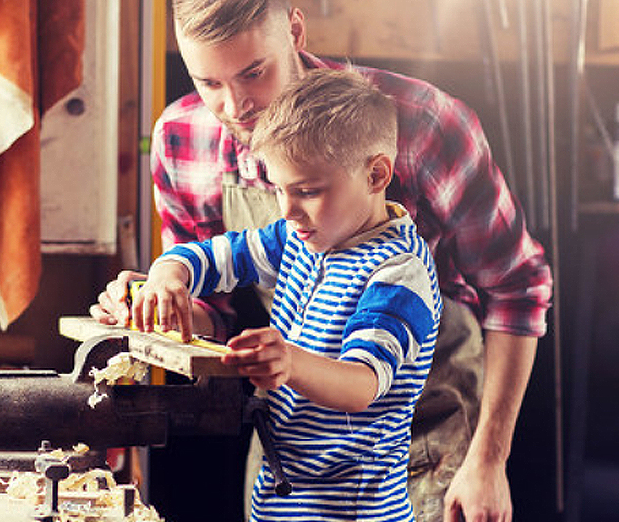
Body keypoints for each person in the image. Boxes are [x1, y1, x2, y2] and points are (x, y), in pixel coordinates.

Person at [91, 0, 553, 522]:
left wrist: (488, 460)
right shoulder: (183, 140)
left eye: (254, 72)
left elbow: (516, 289)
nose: (236, 107)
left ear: (294, 30)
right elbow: (221, 311)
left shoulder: (423, 126)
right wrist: (164, 300)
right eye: (208, 81)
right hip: (292, 454)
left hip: (421, 451)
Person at [131, 67, 442, 521]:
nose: (288, 210)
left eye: (308, 191)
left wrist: (290, 362)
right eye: (279, 189)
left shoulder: (397, 273)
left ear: (376, 174)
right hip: (282, 496)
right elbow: (222, 256)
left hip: (348, 511)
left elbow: (361, 385)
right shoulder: (301, 236)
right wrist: (167, 273)